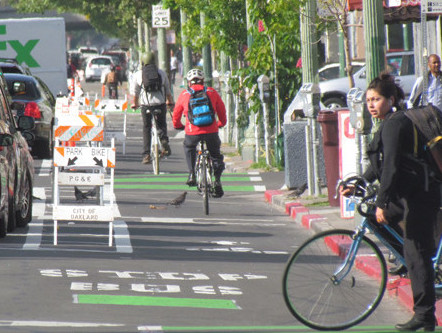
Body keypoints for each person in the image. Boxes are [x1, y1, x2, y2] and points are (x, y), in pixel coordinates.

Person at [341, 73, 440, 331]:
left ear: (391, 99)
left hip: (423, 192)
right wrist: (358, 183)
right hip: (410, 191)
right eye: (369, 99)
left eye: (377, 99)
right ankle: (413, 259)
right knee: (375, 216)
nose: (371, 104)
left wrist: (383, 202)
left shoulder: (395, 124)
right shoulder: (387, 123)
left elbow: (392, 167)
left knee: (415, 249)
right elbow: (381, 167)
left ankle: (424, 314)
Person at [172, 68, 227, 198]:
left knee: (189, 147)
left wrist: (178, 125)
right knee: (215, 155)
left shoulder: (185, 94)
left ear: (189, 82)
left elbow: (176, 114)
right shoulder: (212, 92)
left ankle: (192, 173)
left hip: (193, 132)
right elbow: (222, 110)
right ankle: (217, 181)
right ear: (203, 81)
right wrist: (221, 123)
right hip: (211, 130)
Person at [131, 52, 174, 164]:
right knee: (161, 124)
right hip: (160, 104)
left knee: (146, 128)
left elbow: (135, 93)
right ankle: (164, 140)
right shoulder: (162, 73)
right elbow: (168, 91)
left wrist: (134, 104)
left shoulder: (138, 75)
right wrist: (170, 102)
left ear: (142, 62)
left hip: (146, 106)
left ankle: (146, 155)